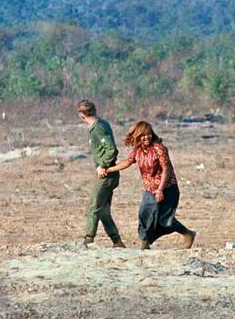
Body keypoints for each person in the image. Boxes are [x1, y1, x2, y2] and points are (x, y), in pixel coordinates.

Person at [99, 121, 195, 250]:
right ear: (137, 137)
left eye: (149, 134)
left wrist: (160, 190)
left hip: (167, 189)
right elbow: (127, 162)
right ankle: (144, 242)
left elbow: (166, 169)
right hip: (150, 190)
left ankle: (187, 233)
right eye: (143, 135)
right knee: (144, 215)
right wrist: (108, 170)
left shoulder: (159, 148)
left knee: (164, 220)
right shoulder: (137, 150)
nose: (147, 137)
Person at [77, 100, 125, 248]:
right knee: (103, 210)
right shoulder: (101, 124)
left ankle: (88, 238)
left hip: (107, 174)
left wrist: (103, 165)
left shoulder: (98, 129)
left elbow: (111, 149)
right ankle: (117, 241)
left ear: (81, 115)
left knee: (94, 206)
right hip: (108, 173)